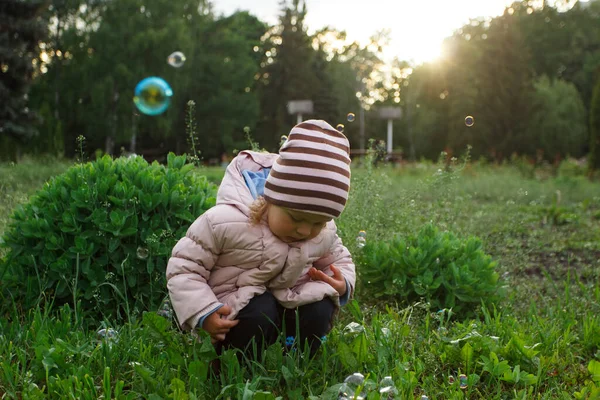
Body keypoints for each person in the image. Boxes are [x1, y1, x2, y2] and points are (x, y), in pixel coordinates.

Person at [166, 119, 355, 360]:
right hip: (234, 307)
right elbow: (184, 268)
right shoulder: (226, 221)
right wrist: (203, 311)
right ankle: (234, 364)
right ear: (271, 198)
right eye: (296, 218)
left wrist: (343, 282)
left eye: (317, 223)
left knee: (320, 305)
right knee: (258, 310)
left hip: (287, 302)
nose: (304, 231)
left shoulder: (324, 231)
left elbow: (340, 259)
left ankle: (297, 361)